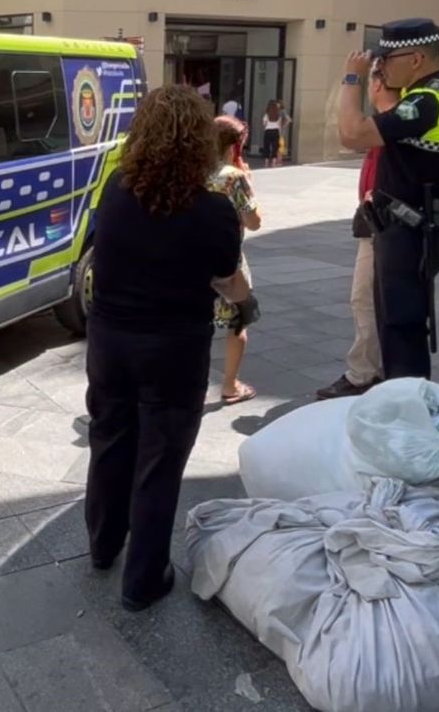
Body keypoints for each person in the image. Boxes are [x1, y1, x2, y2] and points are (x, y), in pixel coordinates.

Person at [85, 84, 257, 612]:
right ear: (198, 143)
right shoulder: (213, 211)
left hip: (110, 341)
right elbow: (229, 282)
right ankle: (143, 580)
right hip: (173, 348)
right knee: (159, 461)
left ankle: (103, 546)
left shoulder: (116, 189)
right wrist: (246, 301)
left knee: (110, 441)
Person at [338, 18, 439, 380]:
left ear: (415, 59)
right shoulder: (430, 93)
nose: (380, 66)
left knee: (401, 326)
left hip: (410, 230)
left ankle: (407, 401)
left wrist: (352, 79)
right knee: (395, 322)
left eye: (386, 59)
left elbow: (352, 134)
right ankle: (401, 396)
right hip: (406, 226)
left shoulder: (426, 101)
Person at [317, 73, 401, 400]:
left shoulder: (387, 124)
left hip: (383, 224)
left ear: (377, 85)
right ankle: (375, 369)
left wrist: (350, 77)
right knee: (372, 298)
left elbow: (349, 135)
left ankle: (364, 372)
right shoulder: (393, 122)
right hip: (379, 221)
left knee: (364, 298)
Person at [211, 115, 262, 404]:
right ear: (234, 145)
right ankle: (230, 385)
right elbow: (253, 222)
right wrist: (249, 184)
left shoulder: (190, 170)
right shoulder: (233, 176)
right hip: (227, 260)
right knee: (237, 322)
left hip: (189, 258)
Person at [262, 101, 291, 169]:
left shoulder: (266, 115)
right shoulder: (278, 115)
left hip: (268, 131)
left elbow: (264, 124)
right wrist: (282, 125)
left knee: (267, 146)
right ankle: (274, 162)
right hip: (276, 131)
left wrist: (267, 126)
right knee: (275, 147)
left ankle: (266, 161)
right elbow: (280, 123)